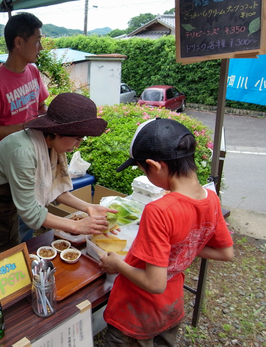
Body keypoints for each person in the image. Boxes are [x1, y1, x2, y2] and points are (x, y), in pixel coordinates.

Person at [99, 118, 234, 346]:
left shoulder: (159, 210)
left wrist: (117, 265)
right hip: (171, 307)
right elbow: (225, 253)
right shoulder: (211, 198)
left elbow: (154, 283)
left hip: (136, 311)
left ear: (155, 166)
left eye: (143, 170)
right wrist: (183, 246)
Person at [0, 93, 115, 266]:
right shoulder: (23, 151)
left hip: (8, 212)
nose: (77, 145)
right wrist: (76, 226)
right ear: (59, 132)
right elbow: (31, 214)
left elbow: (55, 189)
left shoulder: (50, 145)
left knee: (7, 264)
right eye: (77, 138)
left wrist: (89, 207)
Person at [0, 12, 49, 242]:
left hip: (33, 153)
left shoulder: (33, 72)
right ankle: (17, 259)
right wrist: (25, 126)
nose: (40, 46)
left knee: (31, 208)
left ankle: (25, 252)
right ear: (19, 42)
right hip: (9, 161)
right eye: (37, 40)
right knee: (18, 217)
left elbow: (42, 106)